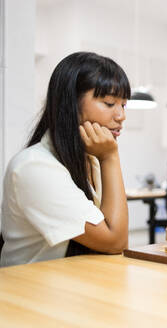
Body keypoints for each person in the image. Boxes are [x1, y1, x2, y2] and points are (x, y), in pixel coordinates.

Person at [0, 52, 130, 266]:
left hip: (73, 281)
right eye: (109, 103)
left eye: (123, 105)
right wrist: (110, 157)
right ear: (70, 103)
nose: (121, 116)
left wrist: (105, 158)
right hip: (30, 291)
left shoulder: (90, 158)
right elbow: (115, 241)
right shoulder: (34, 166)